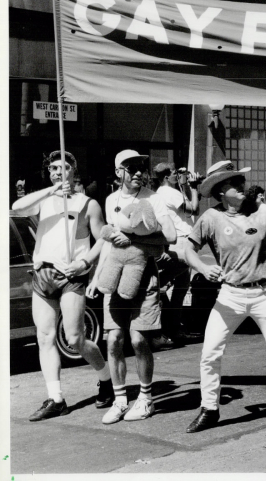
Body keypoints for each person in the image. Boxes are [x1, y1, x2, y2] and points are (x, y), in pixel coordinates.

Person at [182, 161, 266, 432]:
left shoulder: (264, 211)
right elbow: (188, 250)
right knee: (209, 353)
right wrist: (203, 268)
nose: (242, 185)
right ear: (220, 193)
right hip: (230, 296)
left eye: (241, 180)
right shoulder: (210, 218)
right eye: (234, 183)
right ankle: (209, 409)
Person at [12, 150, 113, 421]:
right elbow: (17, 208)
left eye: (64, 167)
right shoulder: (43, 201)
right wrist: (51, 190)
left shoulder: (87, 203)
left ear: (73, 171)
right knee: (44, 337)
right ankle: (56, 399)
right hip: (43, 274)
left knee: (75, 338)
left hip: (72, 275)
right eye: (53, 168)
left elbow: (103, 237)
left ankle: (106, 379)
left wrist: (86, 263)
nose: (58, 171)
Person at [88, 150, 176, 424]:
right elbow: (110, 241)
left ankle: (147, 399)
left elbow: (169, 237)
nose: (138, 172)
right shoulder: (111, 199)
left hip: (144, 273)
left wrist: (135, 241)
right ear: (118, 173)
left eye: (140, 166)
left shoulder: (154, 198)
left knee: (139, 340)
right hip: (115, 275)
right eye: (130, 167)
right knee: (114, 339)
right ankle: (120, 399)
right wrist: (95, 277)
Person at [153, 162, 201, 347]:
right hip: (182, 240)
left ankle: (173, 328)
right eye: (174, 173)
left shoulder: (158, 194)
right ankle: (172, 328)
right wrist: (193, 188)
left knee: (178, 287)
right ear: (166, 176)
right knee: (179, 289)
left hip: (172, 241)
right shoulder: (171, 193)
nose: (177, 175)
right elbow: (194, 209)